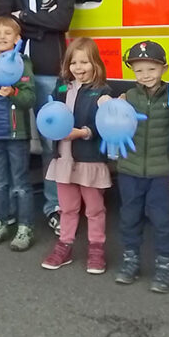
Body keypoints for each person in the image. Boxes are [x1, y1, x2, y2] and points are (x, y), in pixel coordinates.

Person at [0, 0, 74, 235]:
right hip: (12, 74)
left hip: (49, 70)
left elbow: (62, 21)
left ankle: (53, 207)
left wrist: (24, 16)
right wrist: (41, 20)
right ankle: (13, 209)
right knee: (14, 142)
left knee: (53, 143)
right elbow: (1, 22)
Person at [112, 40, 169, 293]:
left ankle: (165, 266)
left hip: (161, 172)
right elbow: (114, 126)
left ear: (164, 69)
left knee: (163, 221)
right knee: (129, 218)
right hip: (130, 171)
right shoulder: (128, 97)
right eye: (139, 70)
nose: (145, 75)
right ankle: (130, 260)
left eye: (151, 69)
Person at [40, 38, 112, 274]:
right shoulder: (62, 86)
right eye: (74, 62)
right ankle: (65, 245)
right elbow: (52, 113)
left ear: (95, 63)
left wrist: (83, 132)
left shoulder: (102, 91)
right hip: (64, 159)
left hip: (88, 159)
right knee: (67, 207)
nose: (78, 67)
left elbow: (105, 126)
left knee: (94, 208)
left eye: (84, 62)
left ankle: (96, 248)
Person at [0, 16, 37, 251]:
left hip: (17, 134)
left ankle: (25, 228)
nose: (2, 37)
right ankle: (0, 223)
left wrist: (13, 91)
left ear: (17, 39)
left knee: (21, 184)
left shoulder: (23, 64)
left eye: (8, 33)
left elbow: (29, 98)